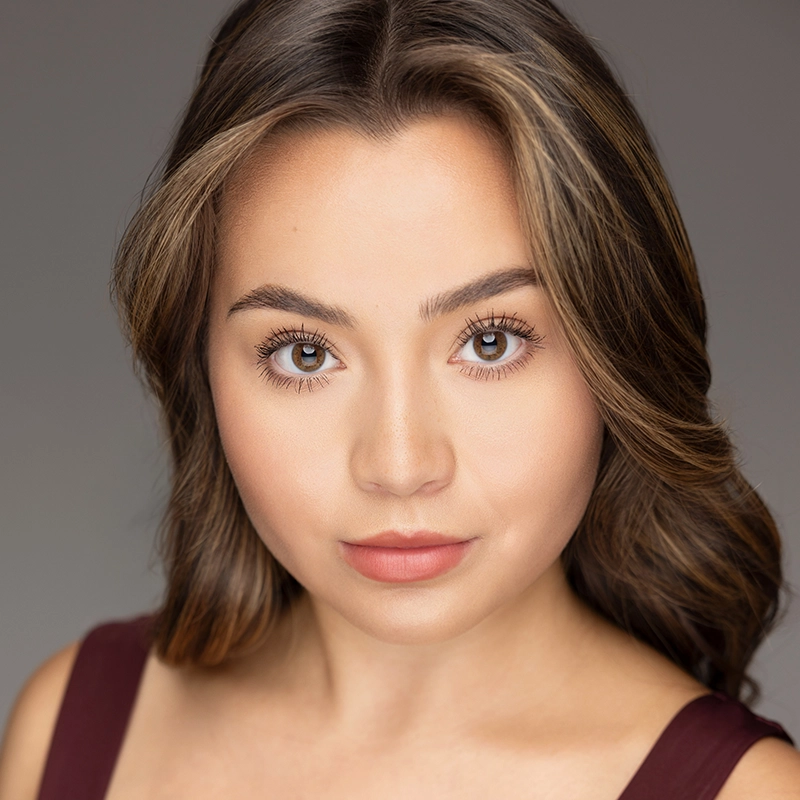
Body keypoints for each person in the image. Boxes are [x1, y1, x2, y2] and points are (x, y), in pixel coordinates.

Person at [1, 0, 798, 797]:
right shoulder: (73, 729)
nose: (399, 464)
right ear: (199, 365)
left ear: (617, 349)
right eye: (305, 354)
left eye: (491, 341)